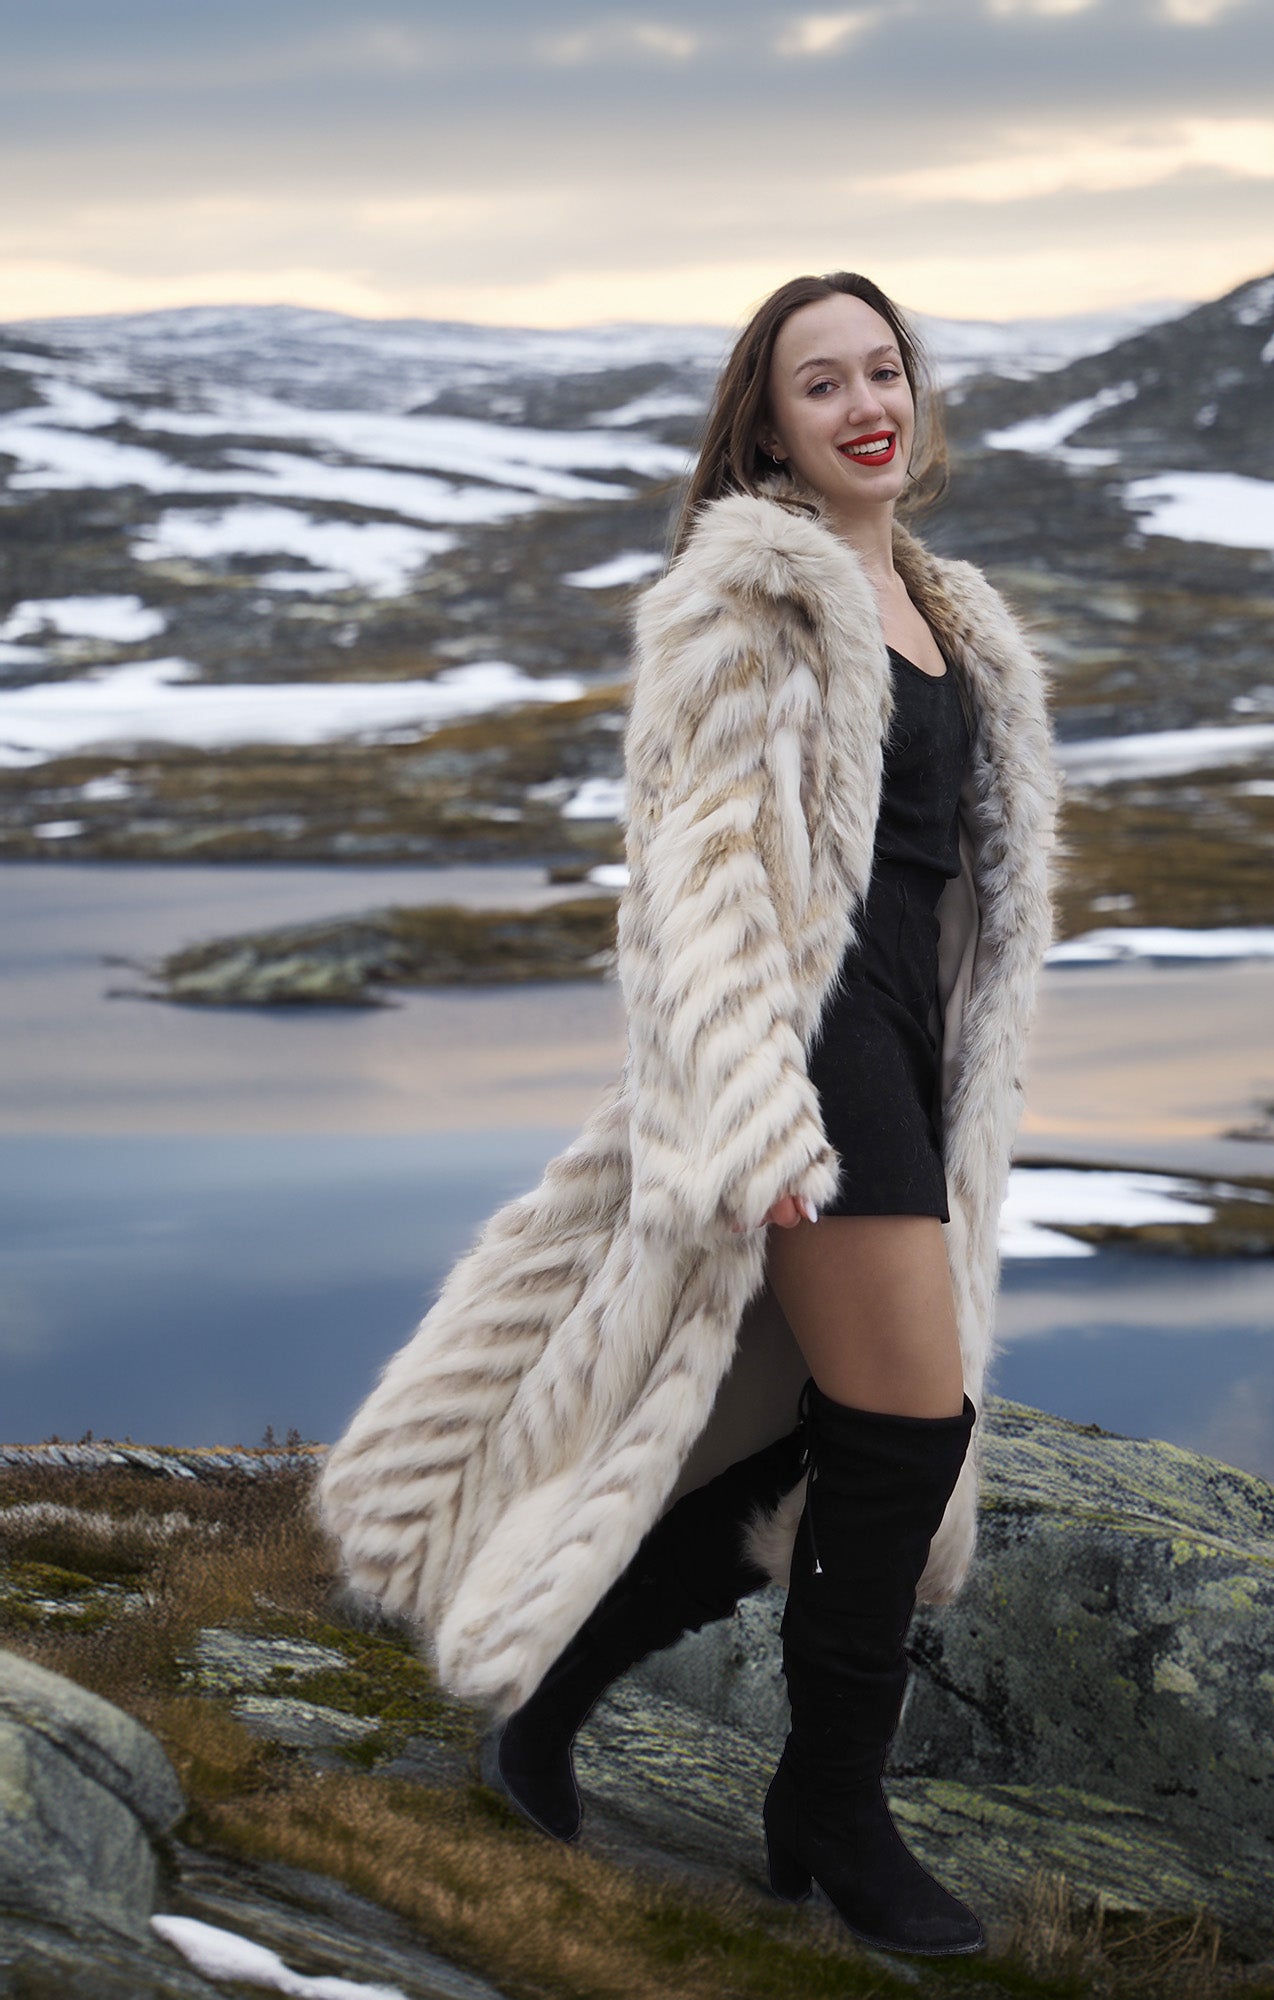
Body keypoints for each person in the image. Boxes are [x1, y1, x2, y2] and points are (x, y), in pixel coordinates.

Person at [315, 273, 1057, 1960]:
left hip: (915, 1062)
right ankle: (834, 1811)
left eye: (887, 370)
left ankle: (559, 1695)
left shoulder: (947, 605)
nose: (869, 401)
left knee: (851, 1435)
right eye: (824, 382)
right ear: (769, 419)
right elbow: (697, 885)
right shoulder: (750, 597)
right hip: (810, 1054)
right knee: (910, 1430)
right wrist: (753, 1116)